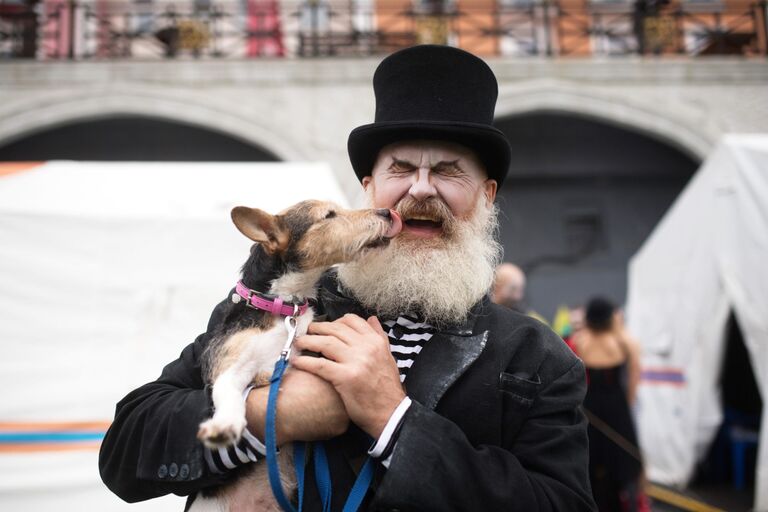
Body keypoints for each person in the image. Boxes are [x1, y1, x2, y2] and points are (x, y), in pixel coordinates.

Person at [99, 45, 596, 511]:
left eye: (449, 171)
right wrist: (269, 415)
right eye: (400, 169)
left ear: (486, 196)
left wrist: (393, 420)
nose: (421, 190)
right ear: (368, 188)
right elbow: (125, 452)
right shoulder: (281, 307)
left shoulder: (538, 358)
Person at [570, 297, 643, 512]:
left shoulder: (580, 340)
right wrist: (627, 404)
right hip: (617, 405)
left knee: (592, 457)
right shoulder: (624, 341)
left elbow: (576, 377)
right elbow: (634, 377)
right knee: (626, 458)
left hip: (590, 405)